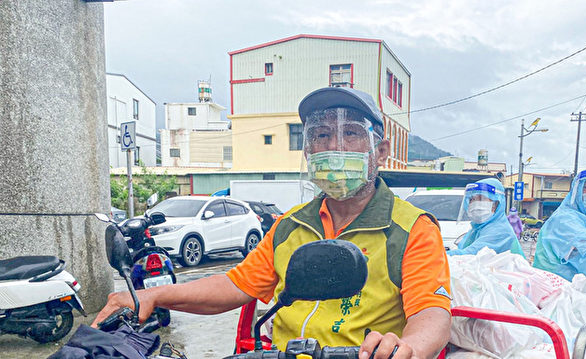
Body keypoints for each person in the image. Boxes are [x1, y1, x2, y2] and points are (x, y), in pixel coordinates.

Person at [92, 87, 452, 359]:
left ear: (381, 151)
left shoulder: (412, 228)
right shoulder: (289, 225)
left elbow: (431, 312)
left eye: (351, 133)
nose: (334, 146)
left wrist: (406, 347)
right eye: (321, 135)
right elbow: (236, 286)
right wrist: (153, 294)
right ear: (309, 151)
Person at [446, 178, 525, 257]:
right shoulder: (477, 229)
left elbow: (469, 255)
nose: (475, 204)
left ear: (496, 204)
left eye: (481, 198)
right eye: (472, 199)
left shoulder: (500, 231)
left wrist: (440, 255)